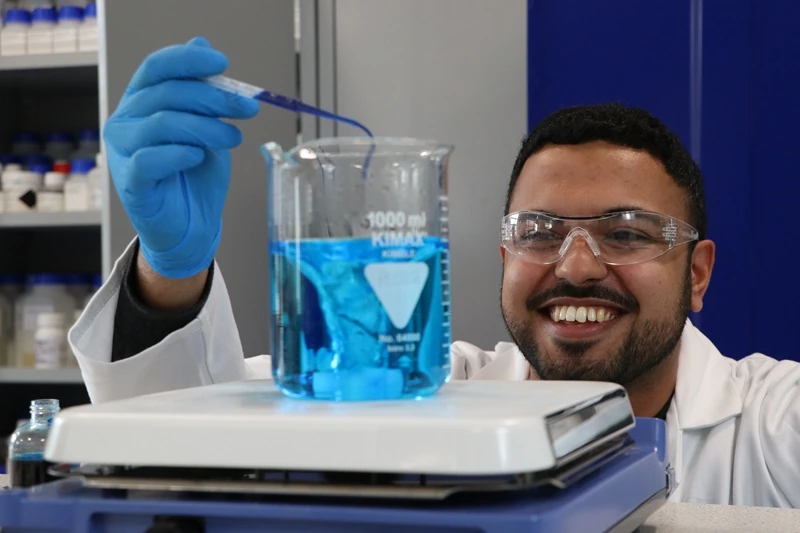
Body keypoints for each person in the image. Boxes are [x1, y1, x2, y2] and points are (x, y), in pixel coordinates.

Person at [70, 38, 800, 508]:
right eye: (539, 233)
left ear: (697, 273)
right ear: (505, 258)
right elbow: (184, 440)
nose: (576, 266)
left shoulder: (772, 423)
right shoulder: (421, 390)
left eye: (626, 233)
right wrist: (172, 271)